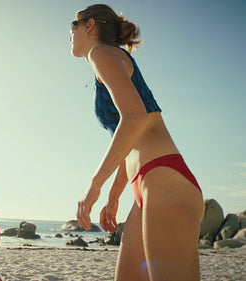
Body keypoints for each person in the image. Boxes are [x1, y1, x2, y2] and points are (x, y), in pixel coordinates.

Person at [70, 4, 204, 281]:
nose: (69, 34)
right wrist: (114, 196)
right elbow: (130, 139)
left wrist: (94, 186)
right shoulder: (108, 60)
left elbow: (135, 118)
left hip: (164, 180)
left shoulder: (100, 53)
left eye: (73, 26)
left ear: (89, 25)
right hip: (146, 186)